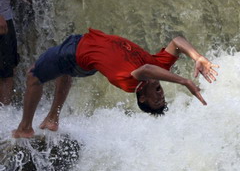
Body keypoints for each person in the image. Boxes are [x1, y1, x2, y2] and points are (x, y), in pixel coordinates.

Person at [12, 28, 219, 138]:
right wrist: (198, 57)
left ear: (143, 96)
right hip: (86, 55)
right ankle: (52, 118)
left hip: (76, 51)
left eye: (156, 101)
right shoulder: (159, 67)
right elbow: (177, 41)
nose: (161, 96)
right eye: (162, 98)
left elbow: (145, 70)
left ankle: (25, 127)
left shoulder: (130, 83)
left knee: (33, 76)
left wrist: (184, 81)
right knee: (65, 72)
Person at [0, 0, 22, 106]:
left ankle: (5, 110)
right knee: (4, 70)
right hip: (1, 16)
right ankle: (4, 111)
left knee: (9, 65)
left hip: (6, 15)